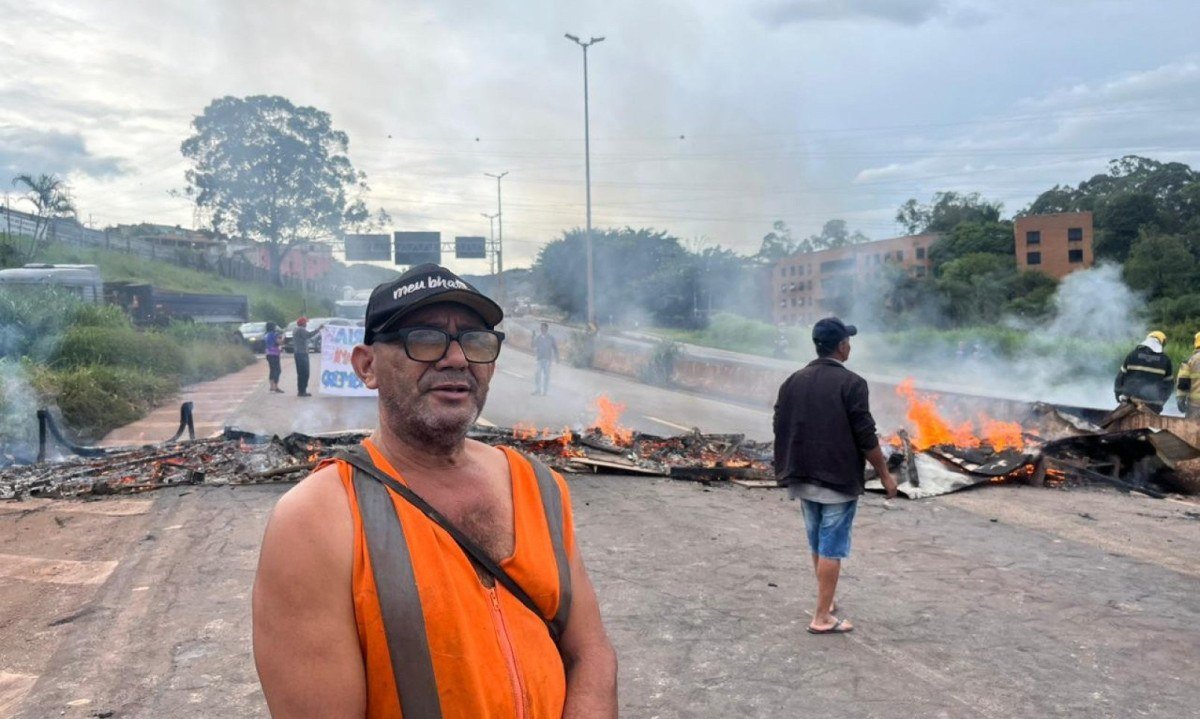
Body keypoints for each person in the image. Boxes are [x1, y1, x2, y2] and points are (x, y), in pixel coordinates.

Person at [252, 263, 617, 717]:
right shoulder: (316, 520)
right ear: (367, 366)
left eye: (475, 340)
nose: (457, 358)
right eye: (424, 337)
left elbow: (591, 652)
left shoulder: (539, 486)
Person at [773, 316, 897, 635]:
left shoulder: (793, 380)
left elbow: (779, 424)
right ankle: (822, 617)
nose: (850, 346)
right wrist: (884, 474)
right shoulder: (853, 384)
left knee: (818, 542)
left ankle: (827, 602)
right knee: (832, 547)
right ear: (842, 347)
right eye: (848, 341)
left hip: (802, 475)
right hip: (837, 479)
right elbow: (865, 436)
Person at [1114, 330, 1173, 413]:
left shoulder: (1133, 355)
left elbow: (1120, 378)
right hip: (1153, 406)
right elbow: (1169, 386)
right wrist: (1161, 403)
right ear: (1161, 343)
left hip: (1129, 404)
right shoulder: (1165, 360)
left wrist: (1118, 396)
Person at [1175, 332, 1200, 417]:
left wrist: (1180, 400)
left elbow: (1183, 383)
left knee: (1191, 429)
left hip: (1195, 406)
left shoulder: (1189, 361)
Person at [532, 321, 559, 395]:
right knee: (537, 374)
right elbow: (533, 345)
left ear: (546, 328)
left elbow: (555, 348)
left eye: (543, 327)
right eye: (541, 327)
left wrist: (557, 358)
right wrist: (533, 337)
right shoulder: (538, 337)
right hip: (539, 358)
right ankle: (538, 389)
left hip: (547, 359)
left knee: (546, 376)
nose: (541, 329)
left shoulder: (551, 338)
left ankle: (545, 391)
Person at [292, 316, 312, 397]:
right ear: (303, 323)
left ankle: (301, 391)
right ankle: (302, 391)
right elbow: (309, 335)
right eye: (305, 322)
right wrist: (319, 330)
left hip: (297, 353)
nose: (306, 324)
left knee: (300, 373)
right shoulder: (301, 330)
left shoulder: (295, 329)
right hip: (302, 354)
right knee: (305, 373)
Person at [263, 322, 283, 394]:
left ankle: (271, 386)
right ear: (273, 327)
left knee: (272, 370)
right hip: (275, 354)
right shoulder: (275, 334)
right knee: (277, 370)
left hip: (268, 354)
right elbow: (279, 342)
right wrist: (282, 339)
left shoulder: (266, 334)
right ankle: (276, 387)